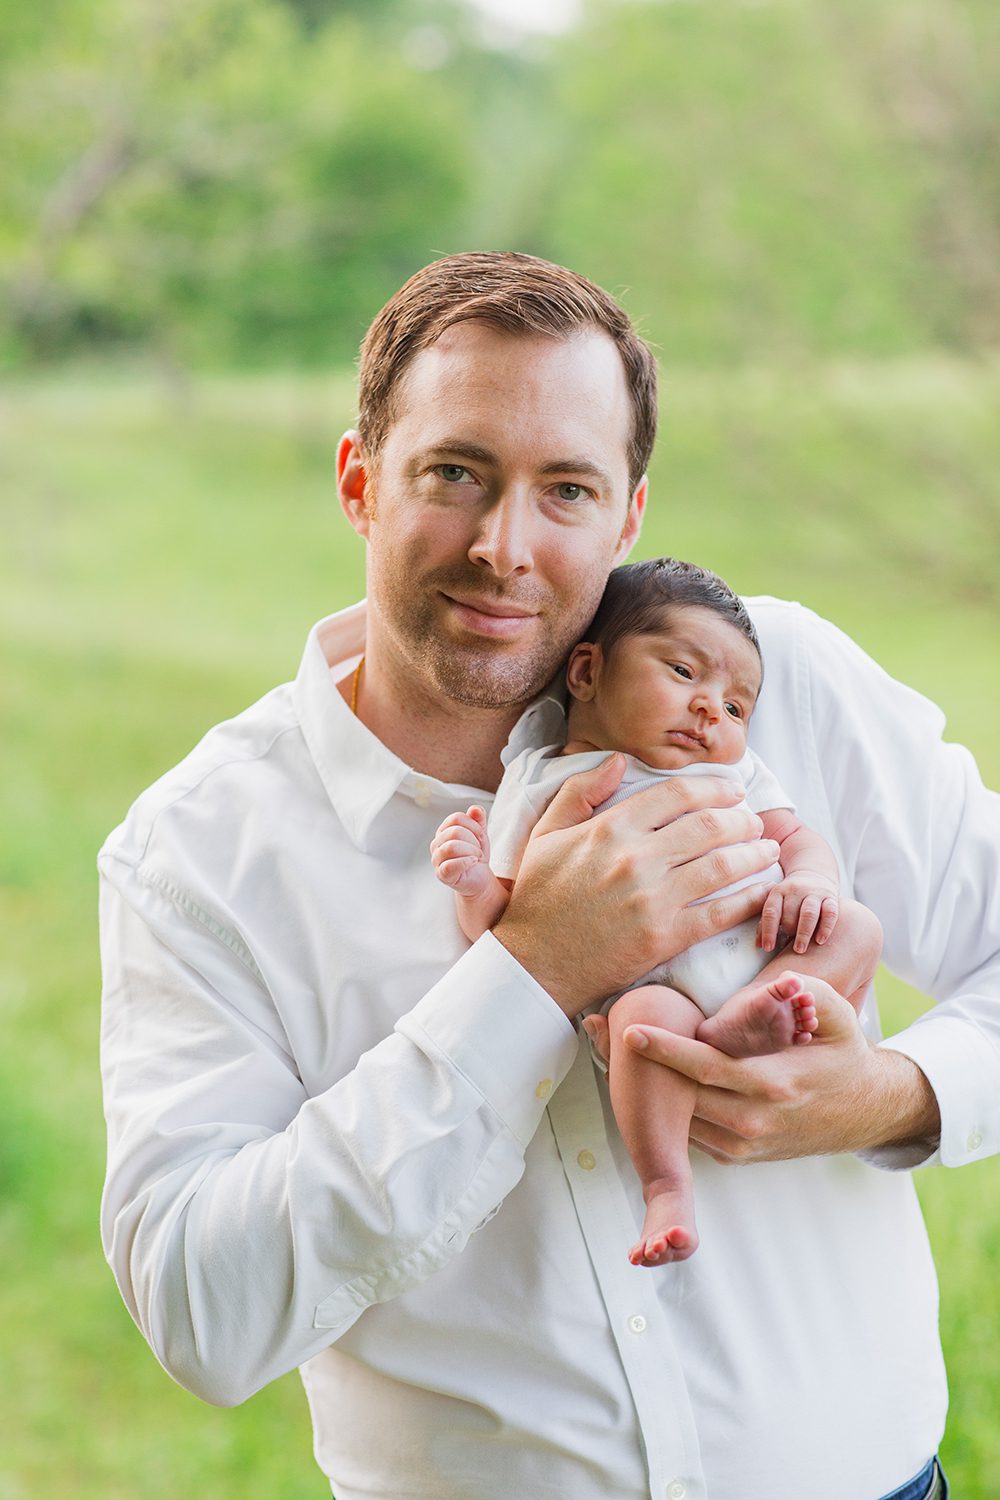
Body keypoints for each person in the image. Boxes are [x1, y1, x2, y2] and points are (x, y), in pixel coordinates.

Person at [98, 251, 999, 1500]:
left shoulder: (768, 679)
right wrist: (528, 975)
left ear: (629, 513)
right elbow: (203, 1308)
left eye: (566, 488)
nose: (503, 548)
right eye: (455, 473)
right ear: (362, 481)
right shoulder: (200, 848)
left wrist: (894, 1094)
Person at [430, 555, 883, 1267]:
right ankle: (667, 1187)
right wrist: (472, 882)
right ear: (586, 673)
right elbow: (507, 923)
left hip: (764, 950)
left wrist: (813, 881)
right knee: (640, 1032)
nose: (711, 708)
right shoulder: (544, 779)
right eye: (682, 672)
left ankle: (759, 1014)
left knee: (856, 928)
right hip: (654, 988)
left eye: (737, 707)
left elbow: (796, 837)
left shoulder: (735, 770)